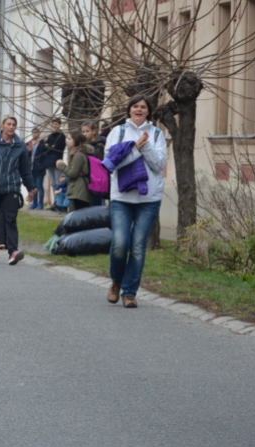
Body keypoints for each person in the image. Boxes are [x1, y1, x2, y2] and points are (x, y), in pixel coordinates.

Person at [103, 94, 167, 308]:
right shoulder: (117, 132)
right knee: (120, 244)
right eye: (135, 106)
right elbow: (112, 163)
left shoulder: (157, 134)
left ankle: (129, 293)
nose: (139, 109)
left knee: (138, 247)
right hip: (121, 197)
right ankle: (116, 282)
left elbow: (159, 165)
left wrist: (145, 146)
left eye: (143, 107)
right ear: (129, 110)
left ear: (148, 111)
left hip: (149, 199)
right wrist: (135, 149)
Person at [0, 116, 37, 265]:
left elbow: (25, 169)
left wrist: (31, 188)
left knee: (10, 218)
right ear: (2, 125)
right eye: (8, 124)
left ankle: (13, 252)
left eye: (13, 125)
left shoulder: (20, 146)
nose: (11, 127)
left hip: (11, 188)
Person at [57, 130, 92, 212]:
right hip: (77, 191)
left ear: (76, 140)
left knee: (76, 218)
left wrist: (61, 165)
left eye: (69, 139)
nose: (67, 141)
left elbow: (73, 173)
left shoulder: (78, 155)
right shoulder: (76, 154)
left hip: (79, 193)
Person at [81, 121, 107, 206]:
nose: (85, 134)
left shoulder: (99, 146)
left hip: (96, 181)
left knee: (96, 207)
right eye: (83, 132)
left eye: (87, 131)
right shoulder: (82, 146)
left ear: (94, 131)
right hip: (85, 180)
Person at [43, 118, 66, 210]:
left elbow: (58, 148)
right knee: (53, 183)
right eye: (53, 124)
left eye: (56, 124)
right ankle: (54, 202)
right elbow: (45, 148)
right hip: (49, 162)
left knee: (58, 182)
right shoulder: (51, 136)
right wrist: (49, 147)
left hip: (57, 162)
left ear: (59, 125)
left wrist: (50, 147)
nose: (54, 126)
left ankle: (59, 203)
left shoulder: (61, 136)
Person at [28, 127, 47, 209]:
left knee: (39, 186)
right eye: (33, 133)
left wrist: (41, 165)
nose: (34, 134)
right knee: (33, 187)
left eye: (36, 132)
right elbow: (26, 155)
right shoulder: (30, 143)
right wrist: (28, 150)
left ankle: (40, 204)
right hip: (31, 168)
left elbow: (44, 155)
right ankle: (34, 203)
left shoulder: (42, 143)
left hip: (39, 168)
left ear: (39, 134)